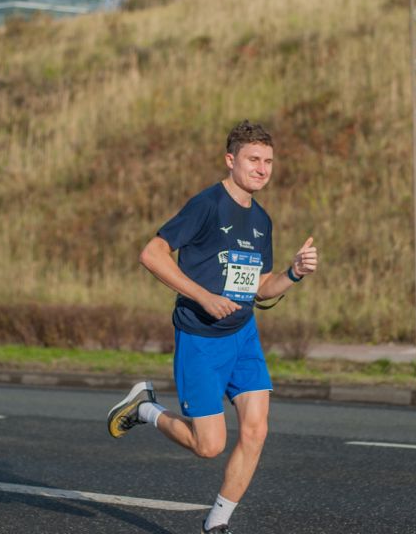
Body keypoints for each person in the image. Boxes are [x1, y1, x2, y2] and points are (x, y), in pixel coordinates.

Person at [106, 120, 318, 533]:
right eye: (253, 159)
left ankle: (216, 524)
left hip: (243, 336)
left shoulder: (262, 221)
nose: (262, 169)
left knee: (256, 430)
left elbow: (259, 287)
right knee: (210, 446)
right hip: (200, 339)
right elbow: (152, 254)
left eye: (268, 161)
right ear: (230, 160)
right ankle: (145, 409)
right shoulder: (206, 205)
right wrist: (203, 296)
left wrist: (293, 273)